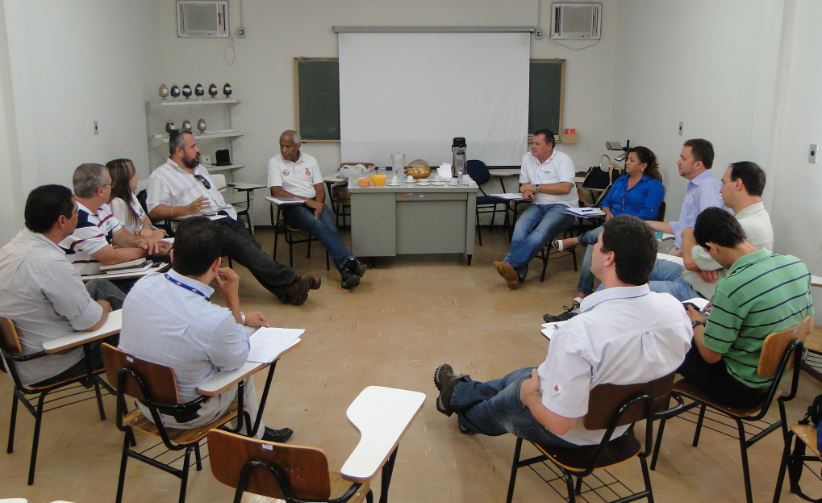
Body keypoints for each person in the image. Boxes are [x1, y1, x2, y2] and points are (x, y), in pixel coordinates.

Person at [436, 216, 691, 447]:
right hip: (623, 423)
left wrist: (530, 396)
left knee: (519, 390)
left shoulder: (581, 331)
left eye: (598, 244)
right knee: (525, 374)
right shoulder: (675, 311)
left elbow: (559, 423)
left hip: (574, 433)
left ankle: (467, 416)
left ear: (609, 258)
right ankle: (459, 392)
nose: (594, 249)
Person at [119, 217, 293, 443]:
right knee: (242, 367)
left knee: (226, 343)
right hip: (187, 414)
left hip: (143, 402)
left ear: (173, 254)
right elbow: (236, 358)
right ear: (216, 264)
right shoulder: (214, 319)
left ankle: (254, 431)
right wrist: (232, 298)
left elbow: (183, 319)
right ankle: (254, 438)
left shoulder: (143, 284)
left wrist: (240, 319)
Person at [146, 130, 320, 305]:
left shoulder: (199, 169)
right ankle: (293, 279)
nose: (198, 149)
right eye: (193, 146)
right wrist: (185, 209)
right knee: (246, 249)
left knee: (252, 250)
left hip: (224, 216)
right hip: (199, 226)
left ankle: (289, 291)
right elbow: (154, 210)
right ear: (179, 150)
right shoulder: (161, 175)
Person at [680, 207, 813, 408]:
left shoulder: (733, 286)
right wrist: (718, 319)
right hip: (776, 378)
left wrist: (697, 323)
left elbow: (711, 355)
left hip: (741, 389)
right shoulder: (796, 265)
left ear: (712, 248)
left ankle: (646, 409)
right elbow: (806, 323)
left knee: (671, 340)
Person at [0, 185, 124, 387]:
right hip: (54, 360)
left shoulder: (10, 249)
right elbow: (91, 323)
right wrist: (103, 306)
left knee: (99, 285)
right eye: (76, 212)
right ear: (62, 221)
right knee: (135, 335)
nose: (79, 216)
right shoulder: (49, 263)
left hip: (22, 360)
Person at [544, 146, 665, 320]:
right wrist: (607, 213)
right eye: (627, 159)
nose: (627, 163)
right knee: (595, 242)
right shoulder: (621, 180)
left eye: (632, 160)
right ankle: (583, 292)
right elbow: (606, 202)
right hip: (611, 226)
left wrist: (619, 221)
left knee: (599, 237)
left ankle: (576, 245)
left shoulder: (654, 186)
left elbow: (649, 213)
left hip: (635, 230)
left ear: (643, 165)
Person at [647, 161, 773, 301]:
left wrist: (688, 233)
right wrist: (702, 265)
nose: (720, 190)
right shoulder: (758, 216)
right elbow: (696, 259)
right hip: (692, 277)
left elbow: (690, 261)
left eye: (723, 183)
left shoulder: (744, 226)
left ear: (738, 184)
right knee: (640, 261)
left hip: (697, 291)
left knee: (633, 290)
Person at [268, 130, 366, 289]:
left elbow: (320, 188)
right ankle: (351, 261)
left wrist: (318, 204)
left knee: (331, 227)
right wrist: (308, 202)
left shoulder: (310, 160)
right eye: (281, 146)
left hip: (314, 202)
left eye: (288, 146)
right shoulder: (275, 162)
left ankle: (347, 274)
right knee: (317, 225)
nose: (284, 150)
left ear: (298, 146)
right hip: (292, 207)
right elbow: (277, 191)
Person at [493, 129, 578, 289]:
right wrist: (525, 191)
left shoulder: (563, 160)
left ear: (549, 146)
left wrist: (536, 187)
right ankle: (517, 276)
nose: (532, 147)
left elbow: (566, 188)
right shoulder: (527, 158)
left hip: (563, 206)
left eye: (537, 144)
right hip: (538, 204)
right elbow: (524, 184)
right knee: (519, 228)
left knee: (541, 231)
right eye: (532, 143)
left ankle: (509, 263)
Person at [60, 163, 170, 276]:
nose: (112, 187)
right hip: (90, 280)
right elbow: (110, 258)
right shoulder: (78, 217)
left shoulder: (102, 207)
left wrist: (142, 243)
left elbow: (120, 235)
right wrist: (148, 251)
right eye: (110, 184)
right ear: (101, 191)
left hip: (107, 273)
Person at [645, 138, 724, 253]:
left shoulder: (708, 187)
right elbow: (683, 227)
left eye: (683, 158)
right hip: (681, 249)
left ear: (698, 165)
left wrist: (681, 253)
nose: (678, 162)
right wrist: (644, 224)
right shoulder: (696, 186)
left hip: (689, 254)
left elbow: (710, 230)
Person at [106, 158, 166, 240]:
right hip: (136, 244)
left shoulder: (130, 194)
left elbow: (145, 219)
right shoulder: (117, 203)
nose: (137, 177)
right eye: (134, 174)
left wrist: (146, 228)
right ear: (124, 180)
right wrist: (151, 237)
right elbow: (120, 238)